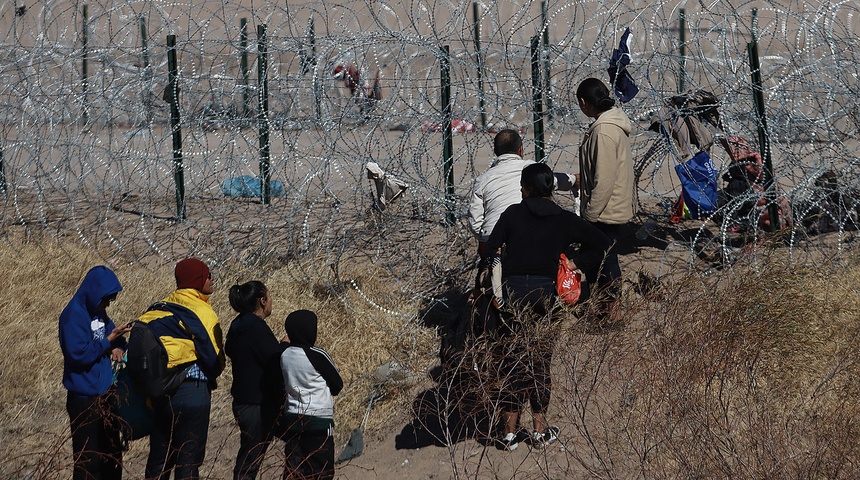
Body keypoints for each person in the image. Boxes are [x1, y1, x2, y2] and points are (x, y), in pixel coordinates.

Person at [484, 163, 614, 451]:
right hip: (547, 295)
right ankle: (540, 431)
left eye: (522, 185)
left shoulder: (513, 213)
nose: (520, 189)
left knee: (512, 360)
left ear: (528, 188)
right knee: (540, 360)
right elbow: (603, 243)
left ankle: (508, 433)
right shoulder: (563, 218)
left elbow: (489, 247)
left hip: (513, 294)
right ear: (550, 189)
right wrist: (574, 263)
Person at [140, 258, 225, 480]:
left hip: (161, 393)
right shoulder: (202, 311)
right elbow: (215, 360)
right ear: (198, 279)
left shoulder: (160, 307)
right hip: (192, 394)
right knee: (188, 461)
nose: (212, 278)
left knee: (160, 460)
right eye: (208, 275)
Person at [59, 265, 131, 480]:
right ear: (93, 293)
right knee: (89, 461)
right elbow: (78, 355)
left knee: (112, 455)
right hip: (84, 397)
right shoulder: (73, 316)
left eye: (111, 299)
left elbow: (114, 337)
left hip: (105, 392)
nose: (108, 304)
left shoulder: (99, 313)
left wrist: (117, 345)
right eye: (106, 299)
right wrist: (108, 342)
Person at [576, 77, 635, 317]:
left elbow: (604, 179)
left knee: (605, 261)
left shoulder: (603, 132)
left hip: (605, 210)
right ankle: (604, 309)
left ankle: (611, 313)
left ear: (583, 102)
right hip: (611, 206)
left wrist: (589, 214)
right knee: (602, 258)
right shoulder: (609, 126)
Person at [225, 281, 288, 480]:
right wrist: (285, 346)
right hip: (258, 406)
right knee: (250, 461)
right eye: (269, 297)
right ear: (262, 301)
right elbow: (275, 360)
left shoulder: (238, 326)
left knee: (250, 457)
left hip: (246, 402)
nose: (271, 301)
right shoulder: (256, 328)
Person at [279, 310, 343, 480]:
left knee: (295, 470)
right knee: (321, 471)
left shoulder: (284, 355)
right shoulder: (317, 355)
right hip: (318, 421)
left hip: (293, 420)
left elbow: (282, 348)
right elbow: (337, 384)